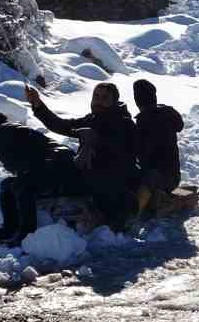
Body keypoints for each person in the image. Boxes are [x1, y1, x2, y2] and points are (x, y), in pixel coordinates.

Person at [0, 113, 84, 245]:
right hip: (71, 169)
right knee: (8, 184)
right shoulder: (23, 131)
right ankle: (9, 229)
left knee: (22, 186)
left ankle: (26, 233)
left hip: (54, 167)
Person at [28, 81, 140, 230]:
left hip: (115, 185)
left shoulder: (124, 124)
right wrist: (38, 105)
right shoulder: (91, 119)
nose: (99, 100)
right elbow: (61, 125)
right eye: (96, 96)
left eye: (105, 97)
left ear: (114, 102)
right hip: (92, 177)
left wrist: (95, 141)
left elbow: (122, 156)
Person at [132, 80, 184, 213]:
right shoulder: (167, 112)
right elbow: (180, 125)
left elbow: (139, 151)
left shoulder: (143, 121)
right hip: (174, 176)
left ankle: (134, 213)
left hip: (157, 179)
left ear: (137, 101)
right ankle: (159, 196)